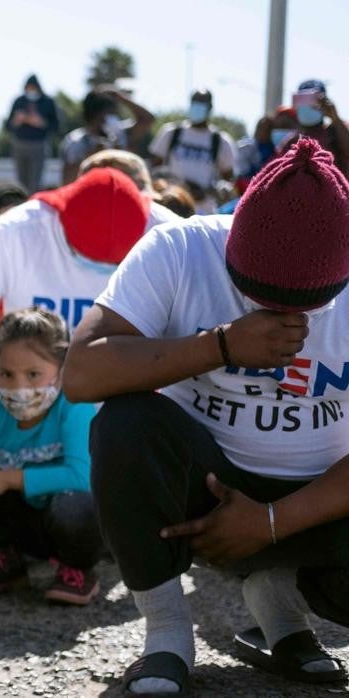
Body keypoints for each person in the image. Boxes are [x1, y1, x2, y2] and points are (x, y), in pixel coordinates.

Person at [64, 138, 349, 695]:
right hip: (205, 489)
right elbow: (81, 374)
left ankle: (279, 605)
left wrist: (270, 522)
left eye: (307, 302)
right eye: (258, 293)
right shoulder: (179, 248)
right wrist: (218, 345)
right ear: (232, 239)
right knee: (125, 423)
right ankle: (167, 633)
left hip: (319, 503)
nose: (283, 315)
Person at [0, 167, 175, 411]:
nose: (99, 268)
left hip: (125, 421)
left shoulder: (170, 235)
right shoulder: (15, 232)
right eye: (88, 257)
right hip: (25, 417)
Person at [0, 307, 100, 605]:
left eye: (33, 374)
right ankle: (4, 560)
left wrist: (8, 479)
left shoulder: (74, 406)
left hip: (67, 519)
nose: (19, 387)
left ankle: (77, 570)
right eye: (7, 374)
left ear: (61, 371)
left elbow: (81, 477)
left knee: (77, 505)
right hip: (20, 522)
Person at [149, 89, 237, 213]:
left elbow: (228, 181)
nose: (196, 107)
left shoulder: (220, 141)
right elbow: (153, 169)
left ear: (210, 108)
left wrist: (206, 191)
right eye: (194, 102)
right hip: (171, 208)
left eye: (201, 103)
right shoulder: (172, 132)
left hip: (203, 212)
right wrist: (175, 187)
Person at [61, 86, 155, 184]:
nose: (110, 119)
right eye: (106, 114)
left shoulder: (120, 133)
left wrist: (121, 98)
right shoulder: (76, 141)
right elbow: (67, 180)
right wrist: (91, 157)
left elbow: (148, 119)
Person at [8, 75, 59, 193]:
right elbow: (8, 125)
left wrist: (41, 122)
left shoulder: (48, 102)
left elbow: (56, 126)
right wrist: (17, 120)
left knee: (34, 182)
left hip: (38, 145)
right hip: (19, 145)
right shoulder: (19, 101)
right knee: (20, 182)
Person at [291, 79, 349, 177]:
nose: (308, 106)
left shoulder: (335, 131)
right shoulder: (293, 140)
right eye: (303, 100)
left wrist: (335, 118)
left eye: (313, 100)